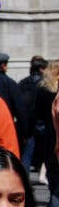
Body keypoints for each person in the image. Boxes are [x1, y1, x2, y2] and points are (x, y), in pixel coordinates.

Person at [0, 52, 28, 152]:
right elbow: (20, 110)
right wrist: (24, 133)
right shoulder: (9, 83)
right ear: (3, 66)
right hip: (2, 127)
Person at [19, 55, 48, 172]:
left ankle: (24, 177)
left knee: (27, 153)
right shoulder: (46, 84)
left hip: (28, 122)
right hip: (43, 122)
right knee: (47, 151)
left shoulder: (23, 82)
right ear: (41, 69)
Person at [36, 61, 59, 194]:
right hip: (54, 131)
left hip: (48, 131)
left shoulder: (43, 88)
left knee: (52, 168)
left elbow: (37, 112)